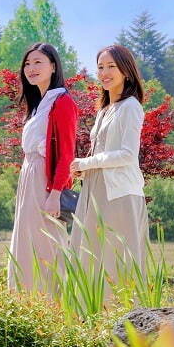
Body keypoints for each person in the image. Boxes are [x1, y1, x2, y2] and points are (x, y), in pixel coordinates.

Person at [68, 43, 148, 282]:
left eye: (111, 66)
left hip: (118, 194)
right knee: (91, 253)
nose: (104, 73)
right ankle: (92, 313)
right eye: (100, 67)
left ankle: (123, 315)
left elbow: (127, 154)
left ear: (126, 70)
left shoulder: (131, 107)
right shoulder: (104, 110)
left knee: (116, 257)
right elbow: (103, 150)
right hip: (95, 189)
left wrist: (87, 162)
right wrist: (84, 170)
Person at [7, 42, 78, 292]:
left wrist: (56, 193)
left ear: (53, 66)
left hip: (45, 180)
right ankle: (25, 301)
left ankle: (55, 303)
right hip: (29, 175)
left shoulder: (62, 102)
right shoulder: (38, 103)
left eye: (38, 62)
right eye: (27, 63)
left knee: (47, 242)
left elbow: (66, 152)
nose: (31, 68)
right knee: (26, 241)